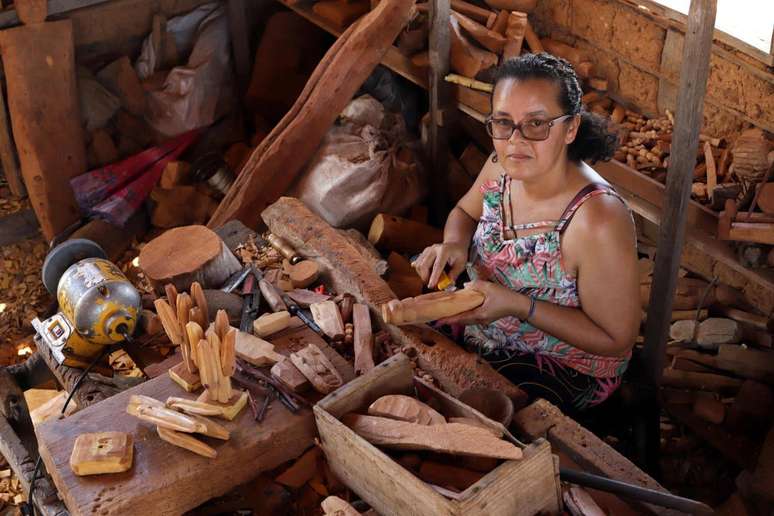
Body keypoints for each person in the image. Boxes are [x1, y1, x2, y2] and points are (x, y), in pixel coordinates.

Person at [413, 53, 640, 413]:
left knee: (471, 408)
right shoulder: (499, 167)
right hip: (490, 321)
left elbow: (615, 338)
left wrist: (519, 305)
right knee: (406, 347)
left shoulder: (597, 218)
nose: (515, 141)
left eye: (536, 124)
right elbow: (463, 212)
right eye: (503, 123)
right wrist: (454, 244)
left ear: (570, 128)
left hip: (564, 361)